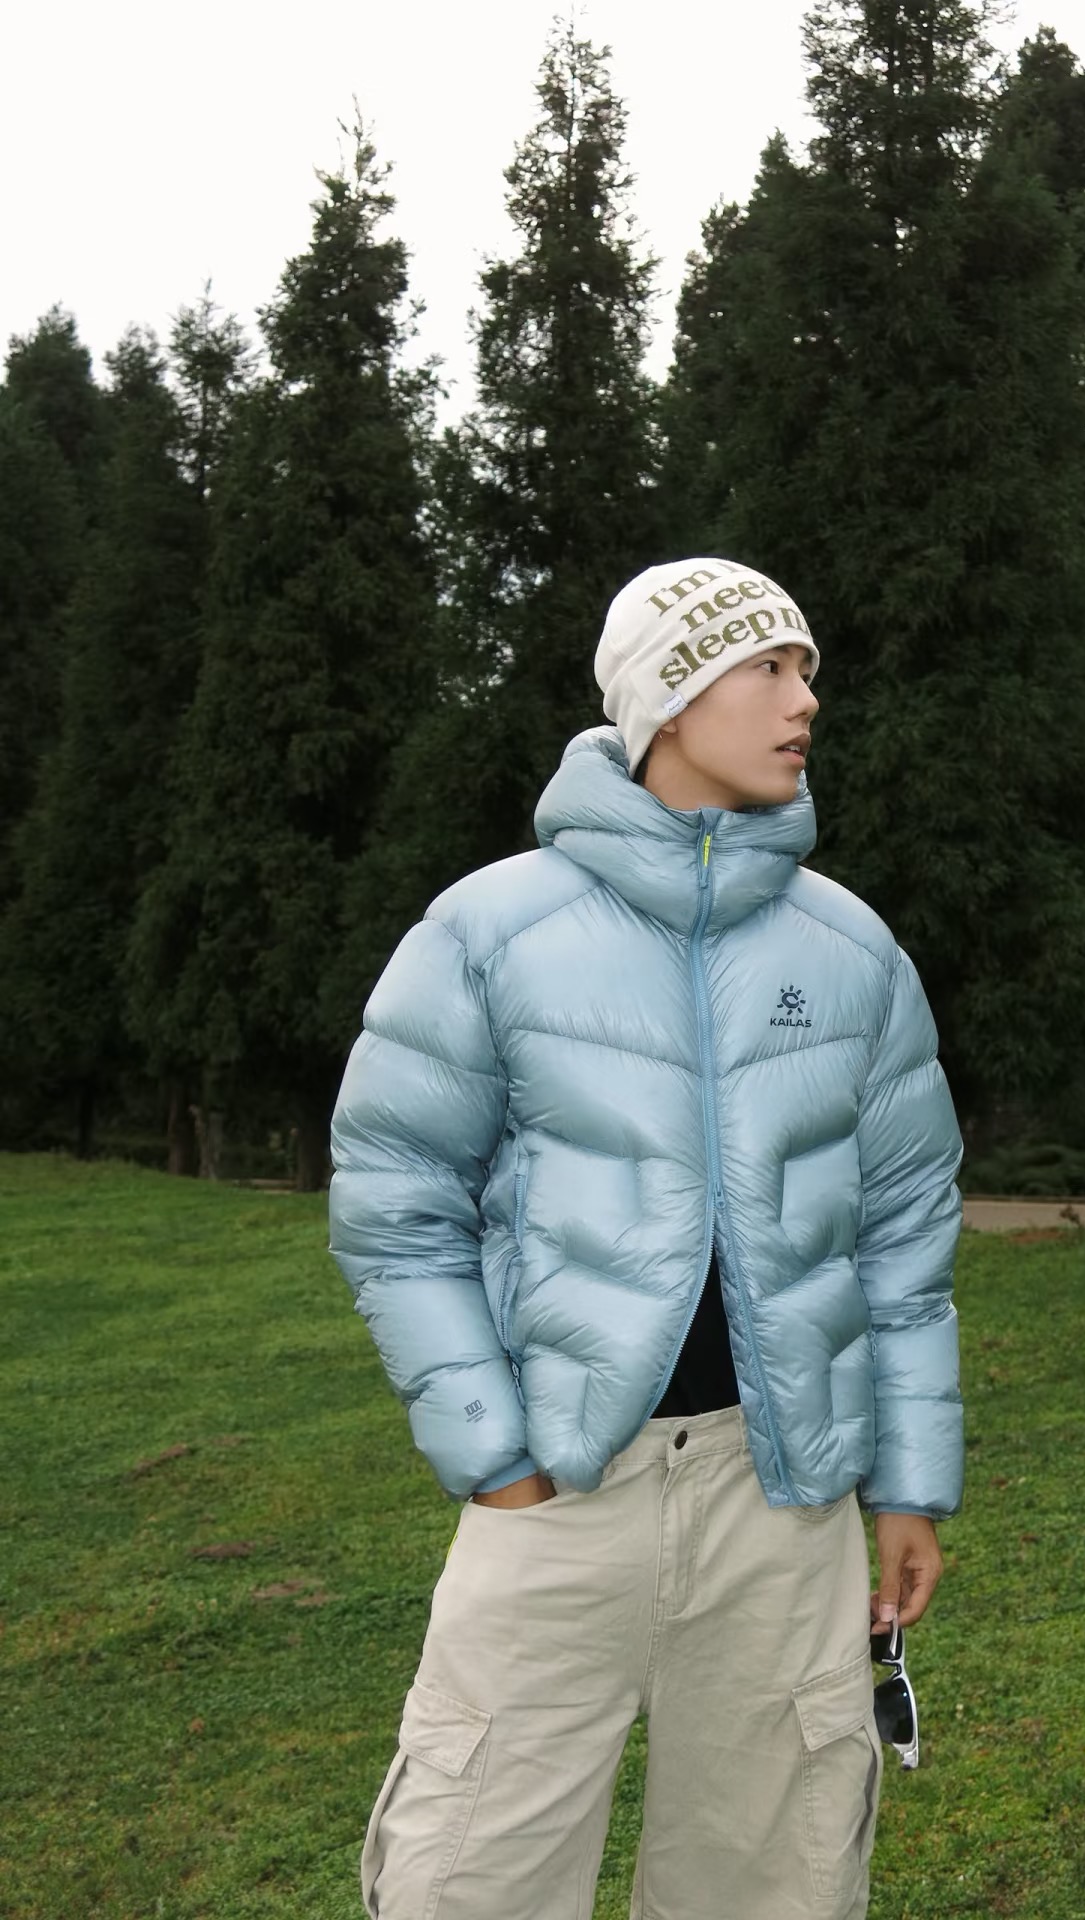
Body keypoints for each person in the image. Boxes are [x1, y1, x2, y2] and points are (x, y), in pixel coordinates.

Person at [328, 557, 966, 1920]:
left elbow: (905, 1236)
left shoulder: (855, 950)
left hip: (783, 1503)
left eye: (808, 670)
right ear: (667, 699)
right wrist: (494, 1458)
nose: (805, 700)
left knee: (775, 1879)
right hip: (559, 1495)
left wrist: (908, 1484)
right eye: (768, 668)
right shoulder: (488, 931)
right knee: (469, 1878)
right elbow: (395, 1203)